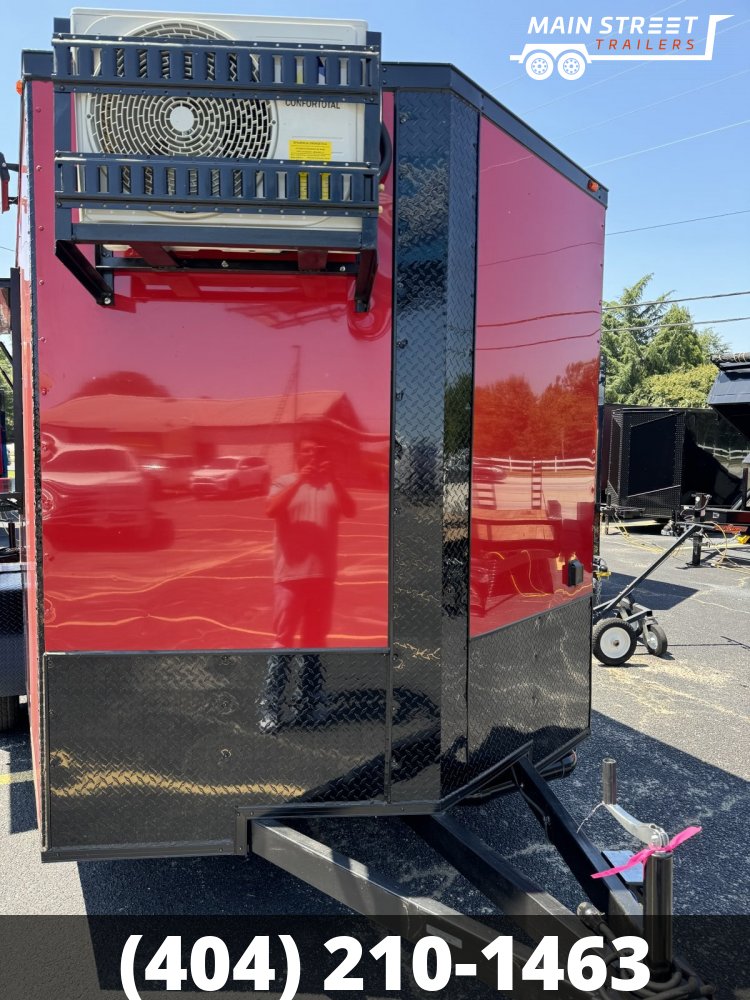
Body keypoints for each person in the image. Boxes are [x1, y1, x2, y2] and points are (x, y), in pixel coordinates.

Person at [260, 436, 356, 732]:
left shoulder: (330, 485)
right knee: (283, 642)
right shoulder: (283, 481)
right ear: (297, 454)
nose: (313, 454)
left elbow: (350, 509)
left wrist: (335, 480)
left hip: (322, 577)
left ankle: (310, 701)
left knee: (315, 642)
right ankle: (271, 707)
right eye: (307, 450)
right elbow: (271, 510)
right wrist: (299, 481)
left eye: (317, 450)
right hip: (289, 577)